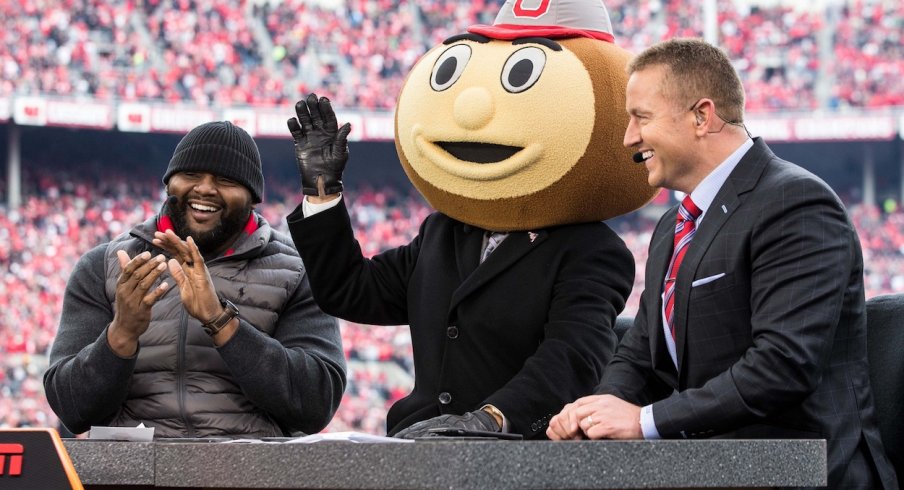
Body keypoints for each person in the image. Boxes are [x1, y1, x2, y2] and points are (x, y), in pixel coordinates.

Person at [546, 39, 898, 489]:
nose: (628, 138)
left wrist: (645, 421)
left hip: (805, 473)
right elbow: (641, 351)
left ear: (702, 116)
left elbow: (782, 366)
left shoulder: (797, 203)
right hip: (710, 469)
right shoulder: (673, 224)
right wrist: (596, 412)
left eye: (642, 117)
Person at [44, 121, 347, 438]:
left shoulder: (298, 271)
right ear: (168, 184)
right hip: (133, 473)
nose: (204, 188)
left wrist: (221, 320)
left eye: (226, 180)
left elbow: (316, 405)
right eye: (190, 175)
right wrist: (121, 334)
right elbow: (72, 410)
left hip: (251, 474)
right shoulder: (103, 266)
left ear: (253, 197)